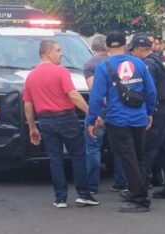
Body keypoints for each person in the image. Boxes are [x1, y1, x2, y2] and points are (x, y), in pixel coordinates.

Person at [87, 31, 157, 213]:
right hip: (139, 118)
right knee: (139, 157)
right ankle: (138, 191)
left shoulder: (104, 67)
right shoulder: (139, 63)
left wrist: (91, 120)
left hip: (118, 120)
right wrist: (149, 112)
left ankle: (140, 199)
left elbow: (96, 97)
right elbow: (151, 91)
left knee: (128, 159)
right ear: (125, 46)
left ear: (107, 48)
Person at [23, 40, 97, 208]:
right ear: (47, 53)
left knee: (55, 158)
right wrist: (91, 113)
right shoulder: (61, 71)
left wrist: (32, 128)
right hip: (66, 117)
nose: (61, 53)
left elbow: (28, 105)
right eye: (58, 50)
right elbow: (73, 95)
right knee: (78, 155)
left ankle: (60, 198)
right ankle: (83, 194)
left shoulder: (31, 76)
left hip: (45, 120)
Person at [132, 34, 165, 199]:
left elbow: (148, 90)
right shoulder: (164, 61)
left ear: (139, 50)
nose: (132, 55)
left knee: (148, 150)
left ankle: (141, 190)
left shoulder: (148, 65)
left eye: (133, 51)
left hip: (157, 110)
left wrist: (147, 112)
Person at [82, 34, 128, 194]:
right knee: (118, 147)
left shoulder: (89, 65)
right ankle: (122, 182)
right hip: (118, 109)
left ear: (93, 48)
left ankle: (93, 186)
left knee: (93, 146)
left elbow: (95, 91)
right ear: (106, 47)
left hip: (100, 109)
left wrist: (94, 116)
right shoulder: (116, 62)